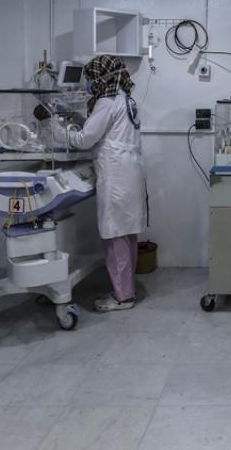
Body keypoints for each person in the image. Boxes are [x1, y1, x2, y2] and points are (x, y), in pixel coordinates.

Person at [61, 55, 146, 312]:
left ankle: (123, 297)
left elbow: (85, 139)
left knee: (115, 234)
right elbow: (102, 128)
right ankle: (127, 289)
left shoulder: (107, 102)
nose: (89, 84)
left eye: (90, 78)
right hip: (129, 172)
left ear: (102, 77)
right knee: (126, 234)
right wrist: (76, 116)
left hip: (115, 174)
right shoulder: (126, 99)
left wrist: (55, 129)